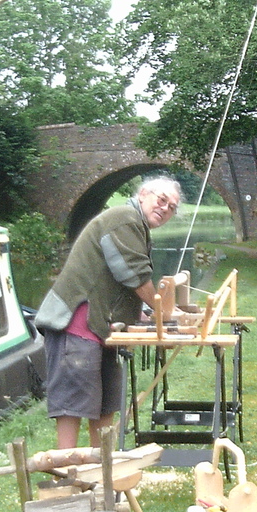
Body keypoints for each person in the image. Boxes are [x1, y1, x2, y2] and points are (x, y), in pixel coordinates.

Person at [34, 176, 183, 449]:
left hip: (104, 329)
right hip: (76, 324)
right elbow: (134, 275)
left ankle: (102, 465)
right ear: (143, 194)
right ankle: (66, 469)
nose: (165, 208)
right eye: (161, 200)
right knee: (71, 407)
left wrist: (142, 314)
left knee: (106, 403)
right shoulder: (124, 219)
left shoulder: (136, 225)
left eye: (171, 207)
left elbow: (119, 280)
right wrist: (163, 312)